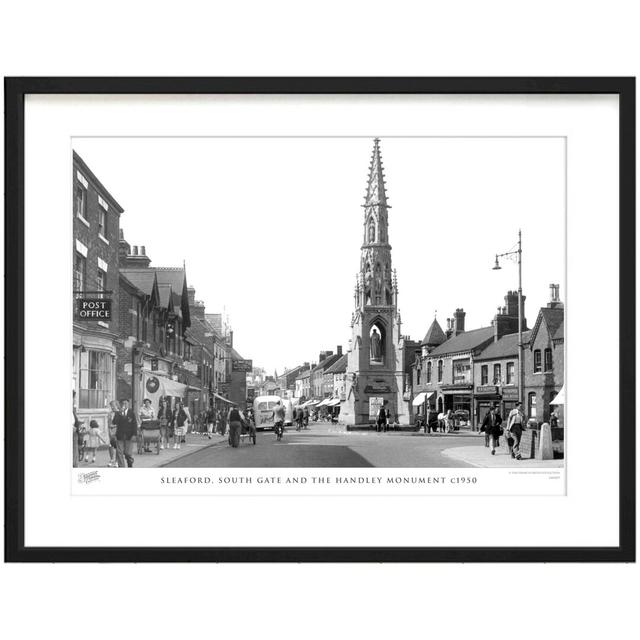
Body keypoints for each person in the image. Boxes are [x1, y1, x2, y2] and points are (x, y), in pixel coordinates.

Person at [112, 399, 137, 468]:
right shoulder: (118, 413)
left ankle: (130, 460)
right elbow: (114, 422)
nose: (124, 405)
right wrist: (119, 413)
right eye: (123, 403)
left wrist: (134, 434)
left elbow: (134, 424)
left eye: (126, 403)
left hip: (129, 435)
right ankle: (121, 466)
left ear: (128, 404)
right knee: (119, 452)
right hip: (120, 435)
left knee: (127, 453)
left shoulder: (131, 413)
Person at [107, 400, 120, 466]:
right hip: (112, 431)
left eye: (113, 405)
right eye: (111, 406)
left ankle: (117, 461)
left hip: (118, 431)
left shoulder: (120, 413)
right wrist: (109, 432)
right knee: (110, 446)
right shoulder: (110, 414)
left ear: (117, 405)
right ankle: (111, 459)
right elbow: (109, 424)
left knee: (118, 446)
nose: (112, 407)